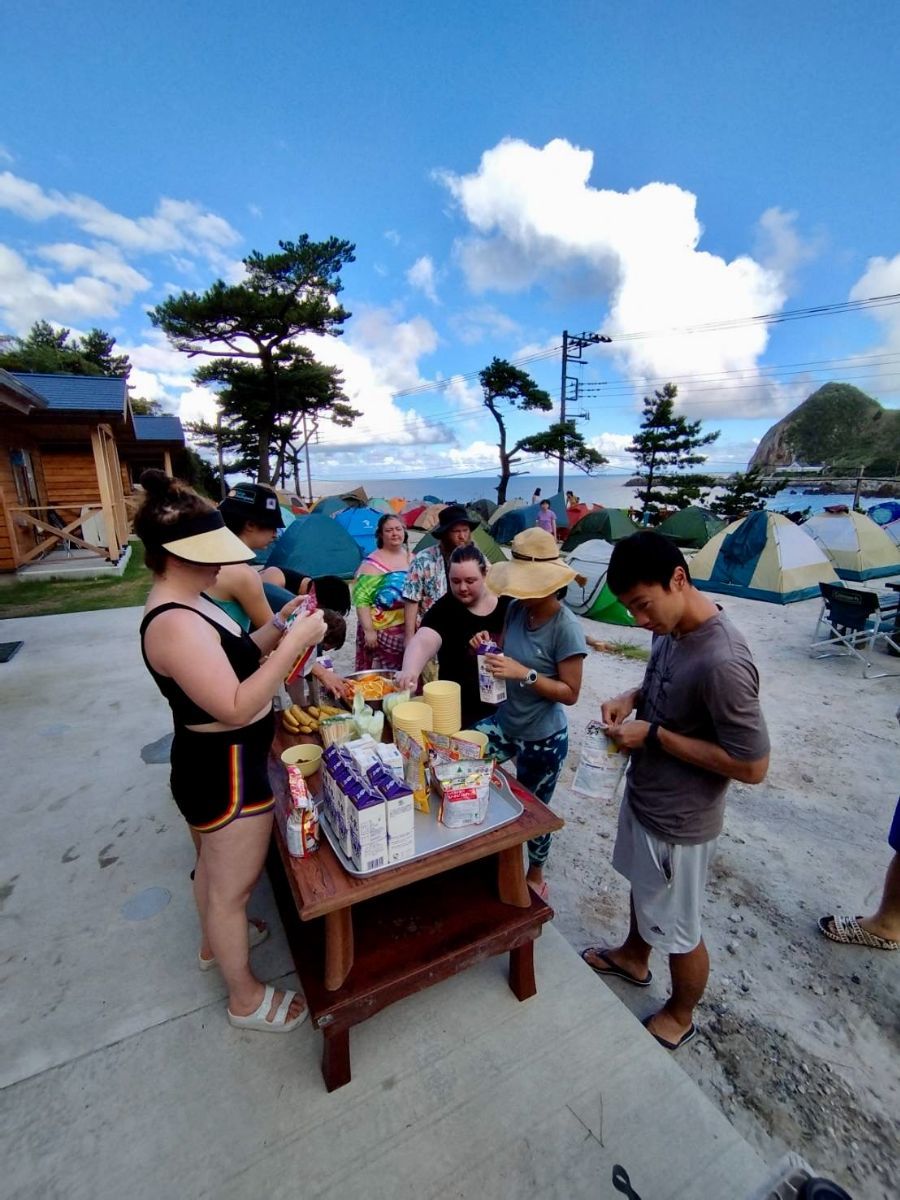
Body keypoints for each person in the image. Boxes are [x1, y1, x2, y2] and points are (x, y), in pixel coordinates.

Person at [135, 469, 327, 1034]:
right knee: (231, 889)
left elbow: (238, 655)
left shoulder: (192, 601)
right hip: (225, 771)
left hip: (221, 763)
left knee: (214, 873)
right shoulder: (173, 623)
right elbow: (238, 705)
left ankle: (213, 943)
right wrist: (295, 644)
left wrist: (280, 626)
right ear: (176, 555)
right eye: (211, 554)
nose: (222, 565)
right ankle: (244, 998)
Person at [582, 532, 769, 1052]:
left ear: (678, 579)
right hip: (647, 795)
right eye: (629, 608)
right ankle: (633, 958)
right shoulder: (671, 627)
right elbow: (666, 683)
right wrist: (632, 695)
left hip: (681, 821)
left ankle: (681, 1014)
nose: (638, 619)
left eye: (643, 605)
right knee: (646, 891)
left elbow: (753, 765)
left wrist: (656, 736)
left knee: (680, 929)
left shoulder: (724, 661)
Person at [474, 528, 587, 900]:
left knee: (535, 812)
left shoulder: (566, 628)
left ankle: (535, 873)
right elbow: (506, 653)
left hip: (543, 737)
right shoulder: (517, 610)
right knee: (462, 755)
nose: (520, 592)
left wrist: (526, 674)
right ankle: (483, 845)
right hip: (506, 722)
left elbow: (570, 693)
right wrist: (487, 648)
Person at [210, 483, 349, 701]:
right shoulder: (242, 574)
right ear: (250, 525)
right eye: (272, 527)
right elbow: (280, 637)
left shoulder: (212, 562)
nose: (276, 534)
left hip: (213, 663)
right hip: (229, 673)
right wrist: (324, 674)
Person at [397, 544, 511, 727]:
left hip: (508, 712)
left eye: (470, 581)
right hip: (457, 712)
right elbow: (424, 640)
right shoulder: (444, 609)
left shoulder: (508, 604)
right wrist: (410, 670)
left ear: (485, 574)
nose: (462, 587)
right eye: (455, 581)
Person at [402, 504, 478, 646]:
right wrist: (409, 637)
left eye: (465, 530)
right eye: (456, 531)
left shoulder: (477, 559)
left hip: (468, 634)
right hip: (431, 633)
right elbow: (411, 599)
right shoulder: (423, 559)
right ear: (444, 533)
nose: (462, 536)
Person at [353, 513, 412, 671]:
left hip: (408, 627)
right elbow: (362, 600)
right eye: (389, 530)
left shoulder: (411, 558)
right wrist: (369, 631)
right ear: (380, 534)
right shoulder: (371, 564)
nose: (395, 533)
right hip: (380, 631)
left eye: (398, 529)